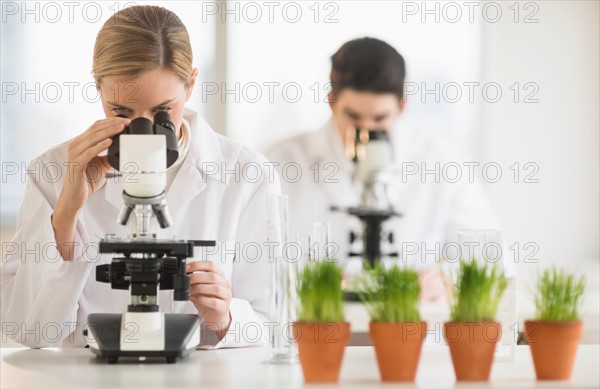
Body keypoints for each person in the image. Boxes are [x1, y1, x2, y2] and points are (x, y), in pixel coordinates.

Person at [1, 6, 279, 348]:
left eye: (162, 112)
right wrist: (66, 213)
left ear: (191, 85)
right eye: (121, 112)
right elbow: (28, 332)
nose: (142, 131)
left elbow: (276, 326)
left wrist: (226, 319)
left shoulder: (247, 175)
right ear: (99, 90)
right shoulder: (53, 170)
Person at [264, 38, 504, 300]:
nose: (366, 132)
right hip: (311, 334)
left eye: (380, 119)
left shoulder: (442, 163)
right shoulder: (280, 162)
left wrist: (445, 279)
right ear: (332, 101)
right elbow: (254, 267)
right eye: (353, 117)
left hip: (408, 333)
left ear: (402, 106)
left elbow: (492, 260)